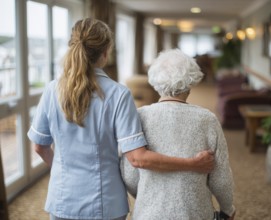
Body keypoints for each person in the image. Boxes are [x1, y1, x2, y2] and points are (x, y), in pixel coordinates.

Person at [27, 18, 215, 220]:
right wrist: (191, 164)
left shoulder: (51, 90)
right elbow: (137, 158)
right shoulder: (118, 94)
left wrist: (64, 173)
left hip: (62, 199)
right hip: (105, 203)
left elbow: (40, 146)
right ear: (106, 52)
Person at [121, 49, 236, 220]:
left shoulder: (139, 116)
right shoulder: (207, 120)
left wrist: (149, 196)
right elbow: (220, 178)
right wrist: (228, 209)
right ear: (190, 84)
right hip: (194, 212)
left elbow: (129, 174)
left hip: (148, 213)